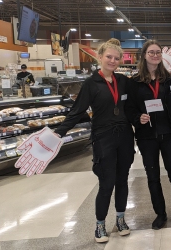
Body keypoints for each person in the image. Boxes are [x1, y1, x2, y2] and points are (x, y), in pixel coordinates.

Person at [54, 38, 135, 243]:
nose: (112, 61)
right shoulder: (91, 84)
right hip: (103, 138)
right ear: (99, 57)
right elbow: (77, 111)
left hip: (125, 136)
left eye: (116, 58)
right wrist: (58, 132)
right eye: (109, 57)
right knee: (106, 182)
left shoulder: (123, 81)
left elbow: (136, 102)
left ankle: (120, 219)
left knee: (122, 179)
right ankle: (100, 225)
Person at [125, 40, 171, 229]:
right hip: (147, 137)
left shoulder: (170, 80)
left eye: (158, 52)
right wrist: (138, 118)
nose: (155, 55)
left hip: (169, 135)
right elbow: (129, 108)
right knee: (153, 177)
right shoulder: (134, 83)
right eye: (151, 52)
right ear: (144, 55)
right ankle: (160, 214)